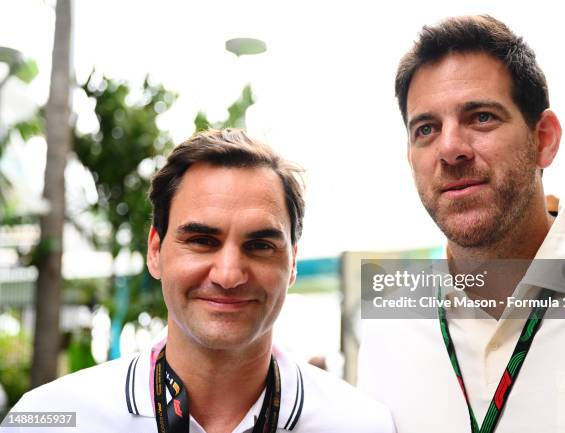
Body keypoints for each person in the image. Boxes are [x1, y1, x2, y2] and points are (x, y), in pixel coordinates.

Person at [3, 129, 395, 433]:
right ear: (155, 252)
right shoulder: (51, 419)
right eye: (202, 241)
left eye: (259, 245)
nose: (228, 275)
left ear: (292, 263)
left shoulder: (361, 423)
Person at [358, 15, 565, 433]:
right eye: (426, 129)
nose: (451, 149)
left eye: (480, 118)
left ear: (544, 138)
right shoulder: (391, 328)